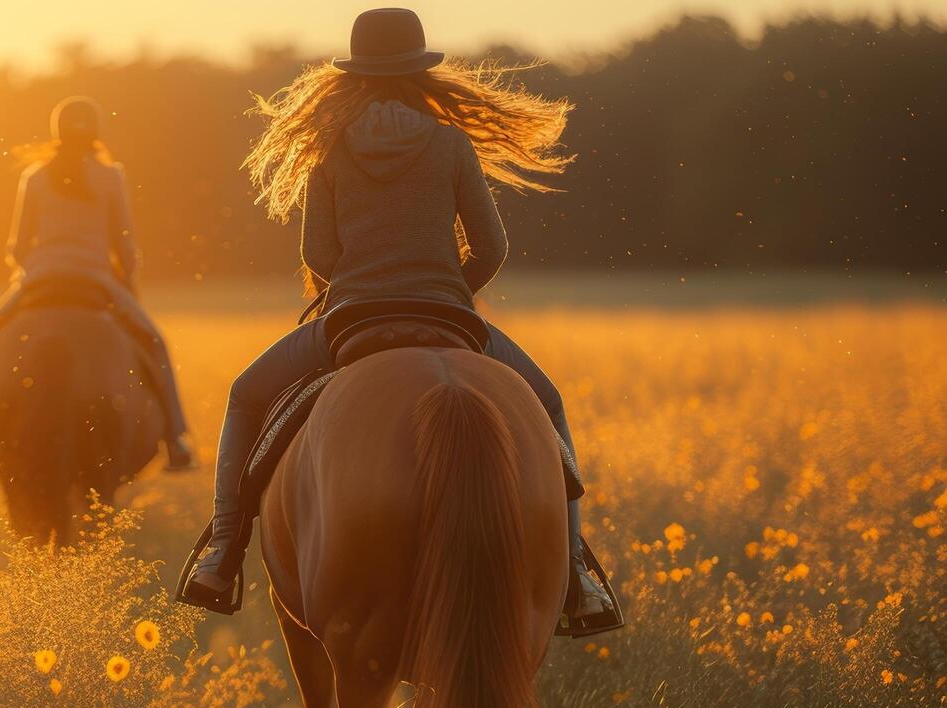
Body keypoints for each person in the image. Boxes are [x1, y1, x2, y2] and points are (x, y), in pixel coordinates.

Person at [178, 8, 620, 632]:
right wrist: (448, 291)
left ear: (354, 75)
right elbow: (491, 248)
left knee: (246, 396)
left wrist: (366, 282)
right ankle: (577, 573)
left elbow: (318, 257)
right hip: (446, 313)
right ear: (420, 71)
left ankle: (222, 551)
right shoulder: (450, 141)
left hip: (354, 319)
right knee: (546, 406)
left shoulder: (327, 148)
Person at [0, 96, 195, 474]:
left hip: (38, 280)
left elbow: (16, 247)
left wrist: (31, 269)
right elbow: (125, 245)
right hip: (97, 282)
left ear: (56, 131)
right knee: (156, 345)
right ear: (96, 132)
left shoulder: (35, 177)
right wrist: (127, 281)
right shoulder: (112, 176)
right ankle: (175, 442)